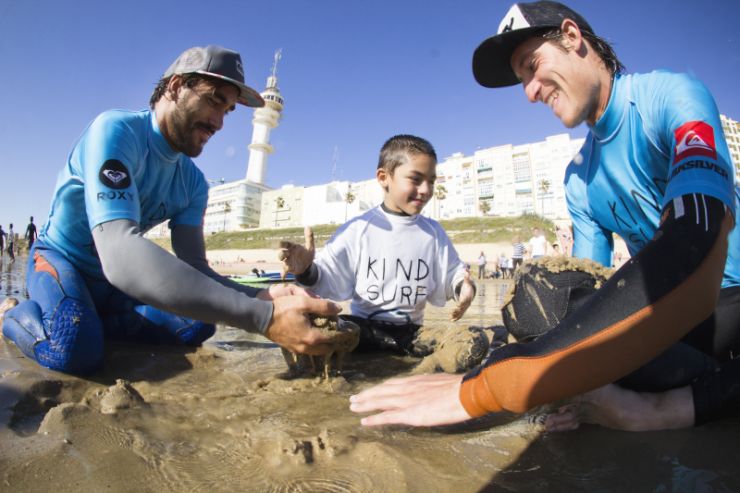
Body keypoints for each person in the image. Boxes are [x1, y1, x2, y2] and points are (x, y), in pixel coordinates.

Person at [349, 1, 740, 431]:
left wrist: (490, 387)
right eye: (522, 81)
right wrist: (547, 374)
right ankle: (686, 389)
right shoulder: (578, 178)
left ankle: (658, 408)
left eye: (532, 66)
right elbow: (576, 288)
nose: (531, 92)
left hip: (726, 300)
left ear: (572, 37)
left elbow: (699, 234)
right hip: (671, 328)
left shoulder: (670, 95)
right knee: (536, 295)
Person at [0, 45, 340, 375]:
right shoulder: (117, 131)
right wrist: (263, 318)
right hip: (62, 260)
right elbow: (120, 253)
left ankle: (89, 319)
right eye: (214, 100)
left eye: (228, 110)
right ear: (176, 87)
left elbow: (194, 268)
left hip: (111, 285)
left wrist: (263, 295)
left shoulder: (193, 184)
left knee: (197, 324)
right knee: (74, 346)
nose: (220, 123)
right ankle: (12, 317)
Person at [279, 135, 477, 360]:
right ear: (384, 177)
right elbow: (327, 277)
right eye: (415, 179)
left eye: (431, 181)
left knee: (472, 342)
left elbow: (453, 274)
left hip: (412, 335)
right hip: (363, 331)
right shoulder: (358, 229)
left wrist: (464, 289)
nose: (425, 190)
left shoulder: (433, 232)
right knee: (307, 328)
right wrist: (305, 269)